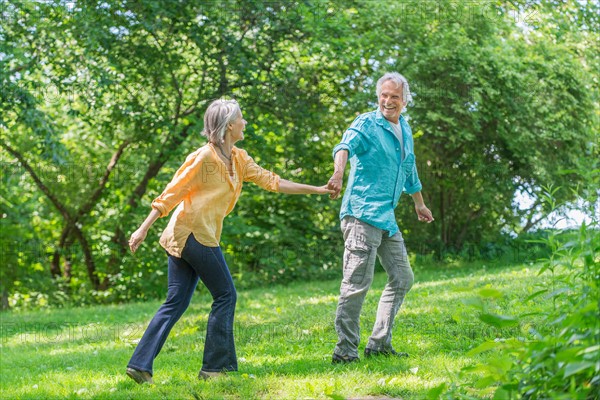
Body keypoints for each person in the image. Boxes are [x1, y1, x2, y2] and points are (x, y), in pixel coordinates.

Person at [125, 99, 333, 384]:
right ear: (229, 126)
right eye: (241, 118)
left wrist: (318, 189)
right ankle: (215, 368)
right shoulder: (203, 158)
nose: (245, 122)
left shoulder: (239, 159)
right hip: (193, 234)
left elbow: (273, 182)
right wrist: (142, 228)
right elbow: (172, 192)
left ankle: (140, 365)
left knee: (176, 301)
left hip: (191, 235)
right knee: (226, 295)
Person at [327, 72, 434, 364]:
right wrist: (338, 172)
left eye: (394, 97)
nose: (388, 101)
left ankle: (379, 344)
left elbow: (409, 169)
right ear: (378, 96)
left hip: (386, 217)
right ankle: (345, 352)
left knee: (402, 277)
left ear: (404, 100)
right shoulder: (367, 123)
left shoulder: (405, 129)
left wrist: (419, 204)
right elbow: (344, 146)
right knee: (356, 285)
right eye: (384, 95)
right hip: (361, 214)